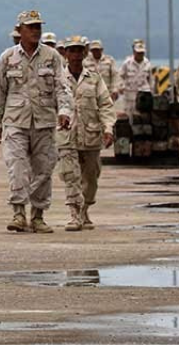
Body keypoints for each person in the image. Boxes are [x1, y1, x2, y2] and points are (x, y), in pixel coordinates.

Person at [0, 10, 73, 234]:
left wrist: (65, 111)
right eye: (31, 27)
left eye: (38, 26)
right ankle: (18, 213)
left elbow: (62, 87)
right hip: (15, 122)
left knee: (43, 170)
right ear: (20, 30)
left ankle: (37, 216)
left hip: (44, 122)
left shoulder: (52, 56)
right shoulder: (7, 57)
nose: (36, 30)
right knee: (17, 167)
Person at [57, 36, 115, 231]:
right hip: (66, 135)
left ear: (84, 53)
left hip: (90, 134)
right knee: (70, 175)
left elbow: (105, 105)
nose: (75, 55)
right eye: (71, 50)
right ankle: (74, 214)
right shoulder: (58, 79)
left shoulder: (94, 78)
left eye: (78, 50)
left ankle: (85, 208)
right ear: (65, 53)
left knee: (91, 176)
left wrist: (108, 129)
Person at [119, 40, 155, 117]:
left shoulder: (147, 64)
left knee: (143, 117)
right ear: (134, 52)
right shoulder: (127, 63)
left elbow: (151, 79)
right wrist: (121, 86)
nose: (140, 55)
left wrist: (152, 92)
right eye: (138, 53)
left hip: (143, 96)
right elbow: (120, 76)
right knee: (129, 117)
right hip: (130, 95)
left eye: (142, 53)